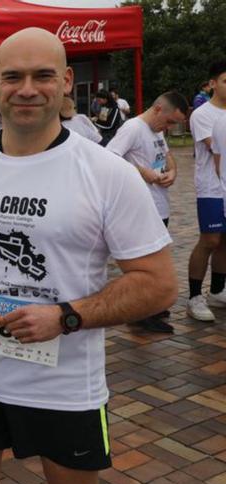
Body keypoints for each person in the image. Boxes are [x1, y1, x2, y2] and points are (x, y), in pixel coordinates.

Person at [0, 28, 176, 484]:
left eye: (43, 75)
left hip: (65, 381)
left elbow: (158, 284)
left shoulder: (107, 173)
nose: (28, 89)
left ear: (66, 81)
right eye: (13, 76)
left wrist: (67, 316)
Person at [106, 91, 188, 333]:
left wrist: (172, 172)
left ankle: (150, 306)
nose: (169, 127)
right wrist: (144, 173)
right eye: (170, 121)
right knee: (143, 265)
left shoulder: (156, 129)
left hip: (159, 203)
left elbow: (168, 155)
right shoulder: (133, 128)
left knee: (155, 258)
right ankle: (141, 313)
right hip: (142, 206)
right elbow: (110, 157)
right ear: (158, 109)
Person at [186, 61, 226, 321]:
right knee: (210, 239)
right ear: (212, 83)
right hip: (211, 187)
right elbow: (217, 150)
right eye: (225, 81)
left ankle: (218, 291)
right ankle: (194, 296)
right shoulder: (203, 115)